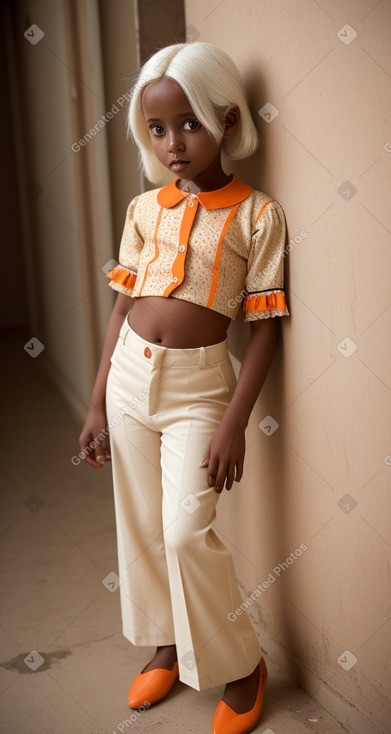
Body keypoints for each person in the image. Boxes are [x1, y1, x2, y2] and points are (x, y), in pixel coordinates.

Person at [79, 41, 289, 734]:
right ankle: (166, 644)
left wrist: (233, 421)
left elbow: (264, 331)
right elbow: (122, 305)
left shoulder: (258, 216)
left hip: (201, 389)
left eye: (190, 124)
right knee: (140, 528)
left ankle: (240, 664)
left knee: (181, 531)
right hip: (129, 376)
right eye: (158, 129)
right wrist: (97, 397)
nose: (172, 143)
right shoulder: (145, 210)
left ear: (227, 121)